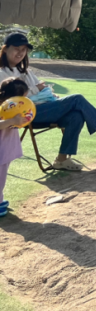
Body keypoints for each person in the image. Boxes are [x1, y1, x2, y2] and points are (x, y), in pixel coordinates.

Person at [0, 32, 96, 170]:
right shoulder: (2, 73)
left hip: (43, 108)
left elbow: (41, 90)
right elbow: (10, 100)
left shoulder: (26, 71)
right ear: (5, 49)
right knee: (77, 99)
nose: (20, 53)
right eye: (17, 48)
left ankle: (62, 159)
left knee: (76, 116)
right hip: (23, 115)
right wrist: (36, 89)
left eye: (24, 50)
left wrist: (48, 94)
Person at [0, 78, 30, 217]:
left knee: (2, 176)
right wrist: (13, 120)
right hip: (2, 150)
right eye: (23, 98)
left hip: (6, 148)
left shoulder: (12, 108)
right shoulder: (3, 107)